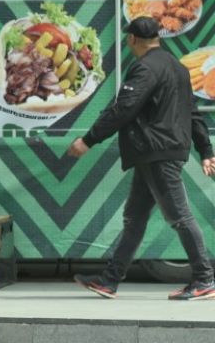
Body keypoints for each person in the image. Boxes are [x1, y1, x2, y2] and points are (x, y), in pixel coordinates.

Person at [69, 16, 215, 301]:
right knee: (134, 218)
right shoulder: (178, 67)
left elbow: (124, 107)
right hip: (160, 151)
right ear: (157, 37)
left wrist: (89, 140)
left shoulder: (145, 68)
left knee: (179, 216)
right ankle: (109, 281)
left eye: (128, 38)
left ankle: (205, 279)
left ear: (132, 39)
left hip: (156, 151)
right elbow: (193, 113)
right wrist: (206, 151)